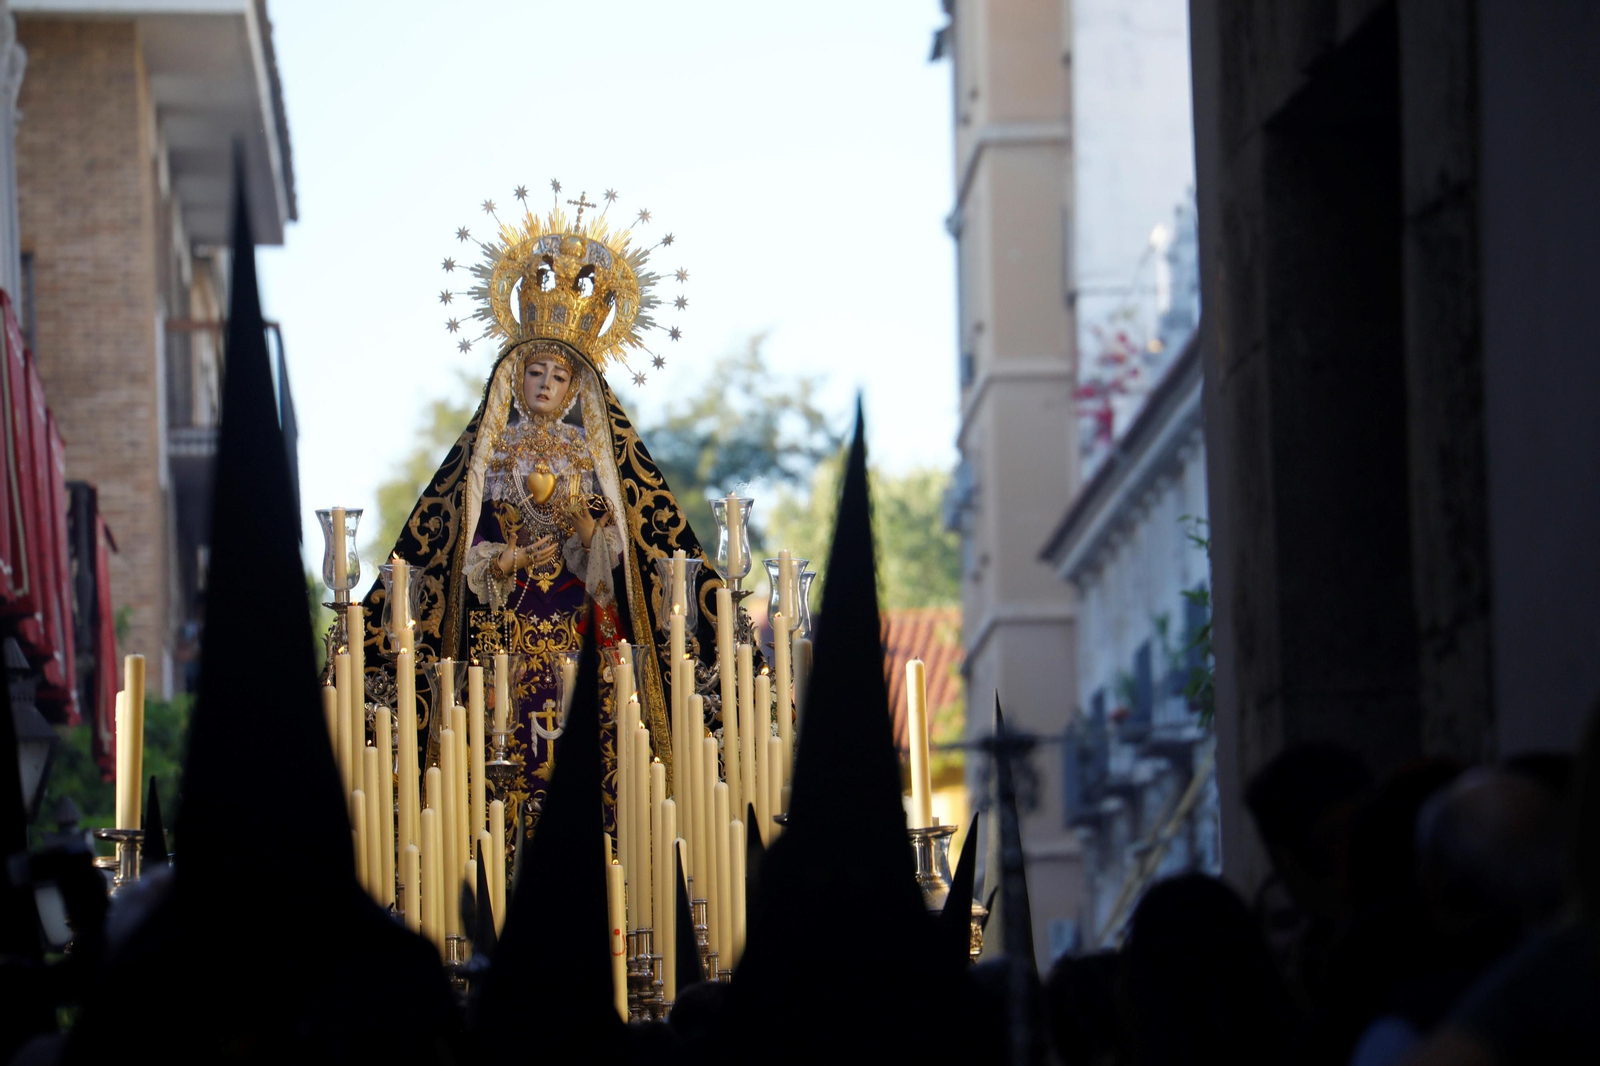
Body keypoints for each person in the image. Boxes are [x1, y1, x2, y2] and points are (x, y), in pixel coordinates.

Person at [366, 201, 733, 851]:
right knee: (499, 770)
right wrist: (501, 560)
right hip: (502, 641)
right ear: (513, 377)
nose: (544, 383)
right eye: (534, 370)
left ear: (575, 389)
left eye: (558, 375)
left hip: (578, 637)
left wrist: (588, 535)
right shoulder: (491, 454)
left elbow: (610, 556)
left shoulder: (593, 459)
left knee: (587, 765)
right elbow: (461, 547)